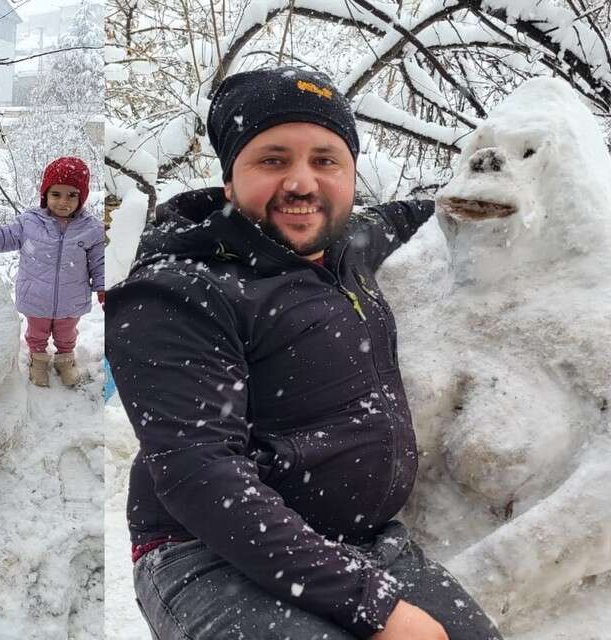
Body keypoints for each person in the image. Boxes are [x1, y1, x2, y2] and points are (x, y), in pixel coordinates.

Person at [106, 67, 502, 640]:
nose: (302, 183)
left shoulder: (344, 248)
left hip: (360, 542)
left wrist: (460, 199)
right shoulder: (177, 292)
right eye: (272, 160)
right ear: (229, 180)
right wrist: (376, 608)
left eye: (325, 160)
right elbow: (200, 473)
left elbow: (393, 219)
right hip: (208, 551)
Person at [0, 157, 104, 387]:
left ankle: (65, 360)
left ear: (82, 197)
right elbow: (2, 237)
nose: (63, 202)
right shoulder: (29, 222)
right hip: (36, 296)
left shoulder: (91, 228)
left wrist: (104, 288)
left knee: (67, 335)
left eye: (71, 195)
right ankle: (38, 360)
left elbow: (99, 262)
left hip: (71, 298)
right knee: (37, 334)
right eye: (56, 194)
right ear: (46, 195)